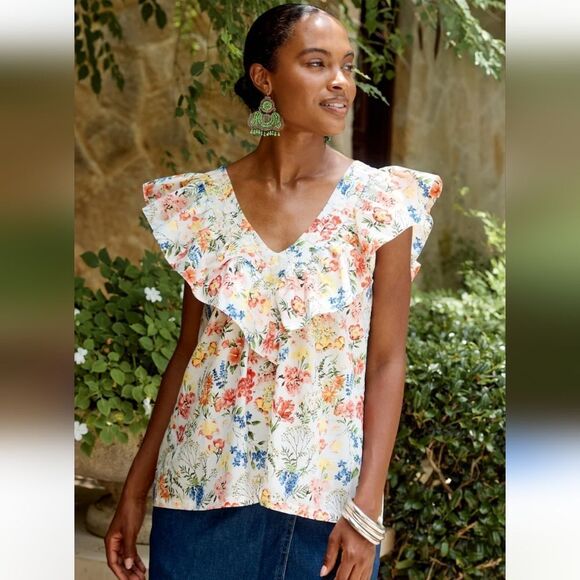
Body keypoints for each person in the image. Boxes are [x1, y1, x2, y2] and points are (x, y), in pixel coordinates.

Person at [104, 3, 443, 579]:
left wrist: (368, 508)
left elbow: (387, 360)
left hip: (323, 508)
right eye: (316, 63)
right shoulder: (204, 207)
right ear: (264, 78)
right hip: (199, 495)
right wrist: (135, 490)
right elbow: (189, 353)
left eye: (347, 66)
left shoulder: (382, 204)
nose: (340, 81)